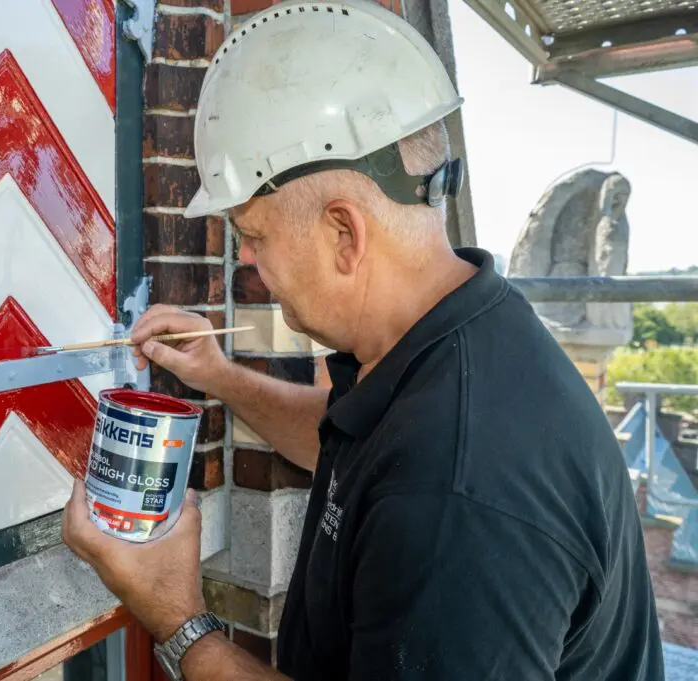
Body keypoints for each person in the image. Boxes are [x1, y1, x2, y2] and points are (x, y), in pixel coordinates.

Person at [61, 1, 664, 679]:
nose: (248, 260)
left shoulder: (456, 499)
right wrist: (219, 376)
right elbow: (353, 445)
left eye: (254, 235)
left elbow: (417, 477)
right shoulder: (447, 341)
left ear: (344, 233)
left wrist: (178, 621)